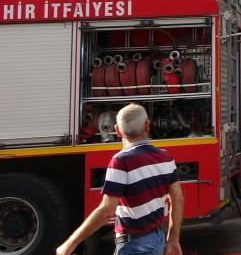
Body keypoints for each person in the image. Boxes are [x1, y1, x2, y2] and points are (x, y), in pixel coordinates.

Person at [56, 103, 183, 255]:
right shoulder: (165, 157)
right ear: (147, 126)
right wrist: (173, 239)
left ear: (117, 130)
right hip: (157, 240)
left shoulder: (120, 162)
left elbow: (106, 210)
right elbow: (177, 199)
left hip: (133, 245)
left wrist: (70, 244)